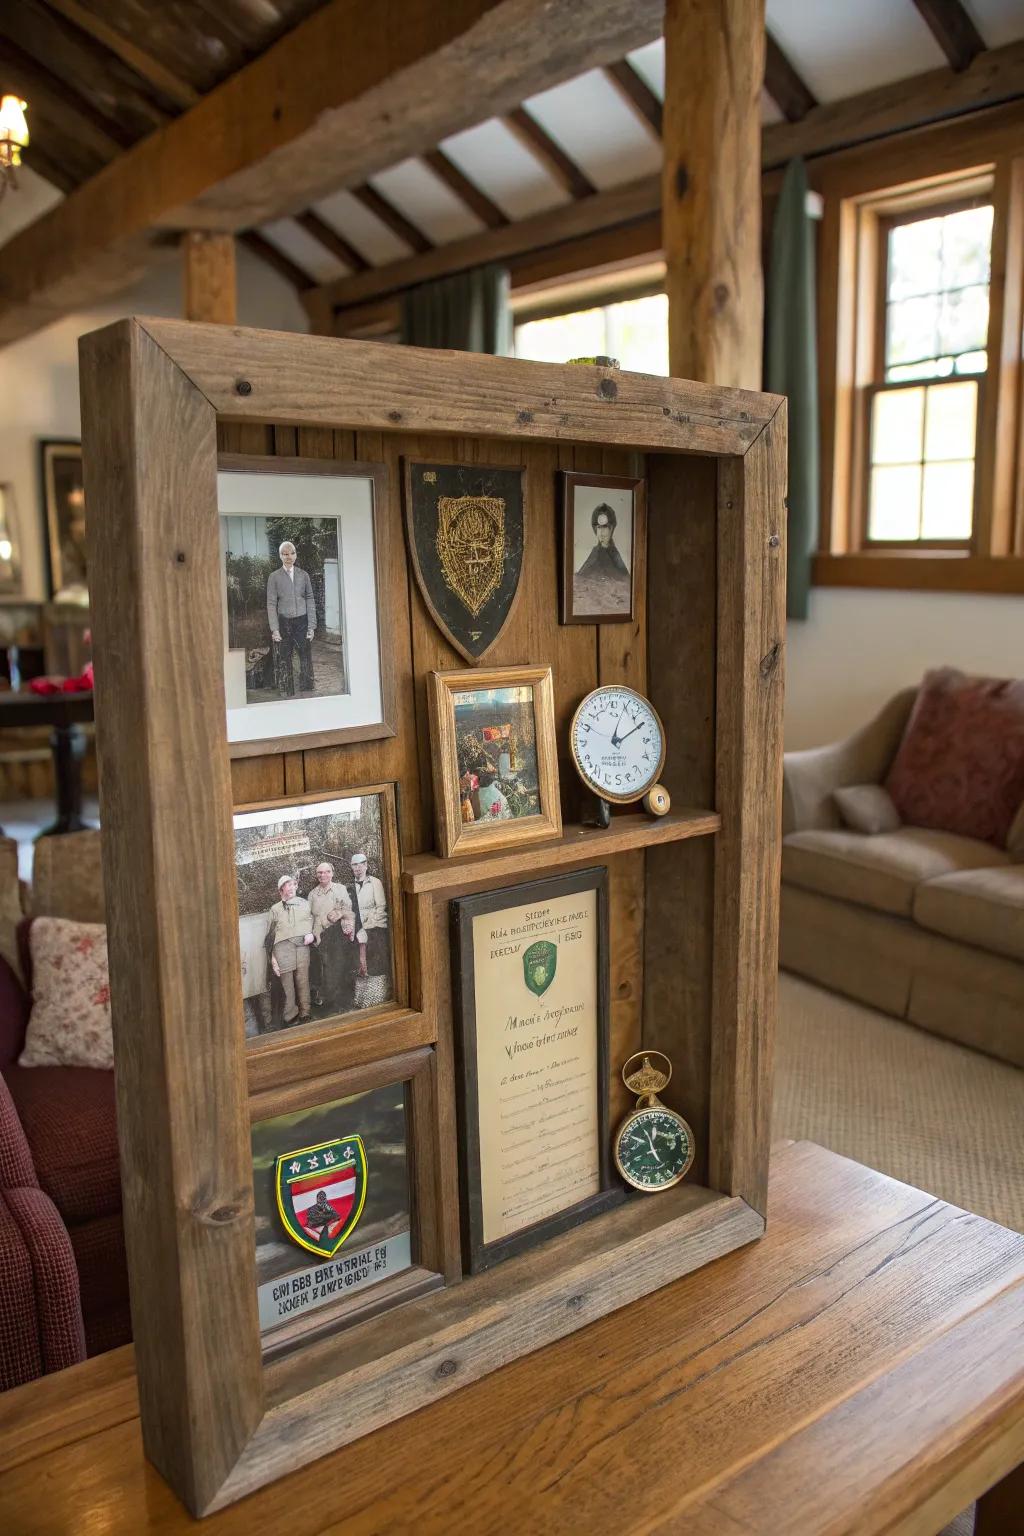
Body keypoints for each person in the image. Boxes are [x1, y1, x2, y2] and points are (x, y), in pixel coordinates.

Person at [266, 541, 316, 696]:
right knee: (285, 656)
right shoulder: (274, 577)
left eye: (292, 553)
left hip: (302, 621)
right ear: (280, 556)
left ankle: (307, 690)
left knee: (305, 655)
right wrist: (275, 629)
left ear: (296, 554)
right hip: (284, 622)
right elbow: (271, 603)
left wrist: (311, 626)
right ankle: (287, 691)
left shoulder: (303, 575)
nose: (289, 557)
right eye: (285, 554)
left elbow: (310, 598)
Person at [265, 873, 316, 1026]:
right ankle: (290, 1015)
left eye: (294, 884)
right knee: (286, 983)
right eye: (288, 885)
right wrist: (273, 960)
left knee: (303, 980)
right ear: (281, 890)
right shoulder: (275, 909)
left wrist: (311, 934)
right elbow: (269, 937)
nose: (292, 887)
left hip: (302, 946)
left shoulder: (305, 903)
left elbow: (313, 922)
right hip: (282, 947)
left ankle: (305, 1012)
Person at [307, 861, 353, 1010]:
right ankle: (329, 1002)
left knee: (339, 966)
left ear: (332, 873)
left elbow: (349, 911)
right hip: (321, 935)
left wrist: (339, 914)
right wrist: (315, 935)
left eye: (326, 872)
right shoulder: (313, 894)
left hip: (338, 933)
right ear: (316, 875)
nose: (323, 875)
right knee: (324, 968)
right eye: (319, 873)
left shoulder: (340, 889)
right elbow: (311, 918)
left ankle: (341, 1002)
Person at [348, 851, 389, 1006]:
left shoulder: (375, 882)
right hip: (357, 930)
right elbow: (350, 911)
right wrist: (358, 929)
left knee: (375, 964)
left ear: (366, 865)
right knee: (360, 964)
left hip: (375, 929)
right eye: (354, 864)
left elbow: (381, 907)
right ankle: (361, 1001)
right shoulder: (350, 887)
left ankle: (376, 999)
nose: (357, 868)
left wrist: (369, 925)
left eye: (360, 864)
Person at [575, 502, 630, 613]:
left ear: (611, 529)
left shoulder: (615, 556)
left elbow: (625, 582)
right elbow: (581, 578)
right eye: (599, 527)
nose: (602, 532)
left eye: (605, 527)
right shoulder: (594, 554)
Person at [318, 907, 364, 1015]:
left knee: (345, 971)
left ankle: (344, 1002)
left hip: (350, 947)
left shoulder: (350, 915)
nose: (332, 918)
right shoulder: (334, 929)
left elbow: (352, 927)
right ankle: (336, 1002)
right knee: (335, 971)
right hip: (338, 949)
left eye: (333, 915)